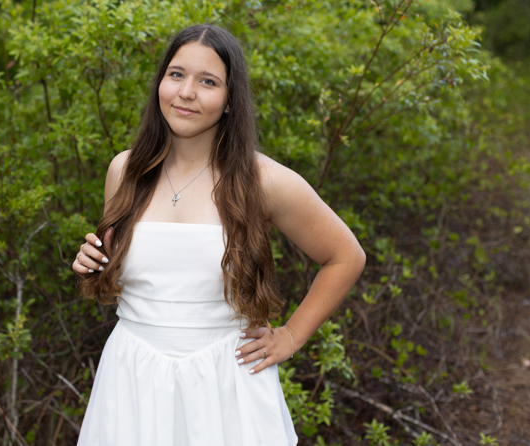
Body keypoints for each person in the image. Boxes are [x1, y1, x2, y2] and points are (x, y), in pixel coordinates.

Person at [72, 24, 366, 446]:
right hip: (132, 378)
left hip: (225, 385)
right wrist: (93, 264)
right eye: (176, 74)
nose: (186, 92)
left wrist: (290, 337)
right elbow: (126, 279)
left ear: (230, 100)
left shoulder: (262, 180)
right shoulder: (126, 170)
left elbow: (345, 256)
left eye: (207, 82)